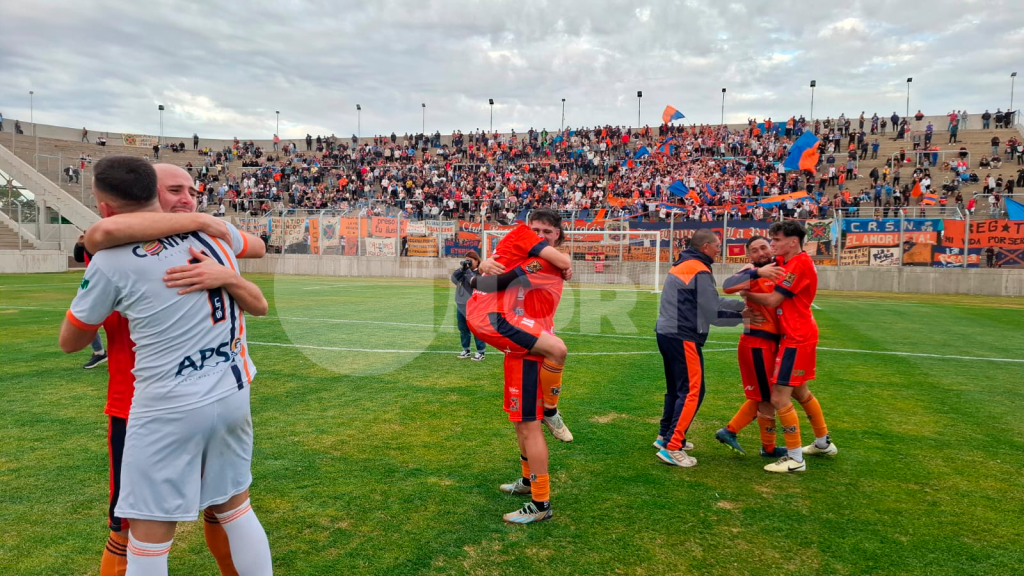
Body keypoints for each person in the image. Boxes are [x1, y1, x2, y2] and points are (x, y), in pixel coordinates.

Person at [59, 156, 273, 575]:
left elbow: (71, 341)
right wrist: (206, 223)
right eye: (176, 190)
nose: (188, 199)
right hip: (226, 390)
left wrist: (209, 231)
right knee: (232, 508)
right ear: (148, 192)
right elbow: (102, 232)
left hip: (157, 403)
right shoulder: (208, 236)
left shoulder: (117, 257)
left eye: (192, 192)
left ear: (107, 203)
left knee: (144, 535)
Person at [465, 216, 573, 523]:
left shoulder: (544, 263)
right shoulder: (531, 258)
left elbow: (498, 282)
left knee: (528, 425)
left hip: (531, 347)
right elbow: (497, 274)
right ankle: (528, 481)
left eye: (546, 232)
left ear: (557, 236)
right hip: (519, 339)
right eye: (535, 230)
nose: (538, 236)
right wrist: (483, 264)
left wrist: (472, 274)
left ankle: (541, 503)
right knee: (519, 422)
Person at [653, 229, 755, 468]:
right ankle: (672, 446)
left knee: (677, 390)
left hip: (667, 333)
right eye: (717, 245)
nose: (720, 249)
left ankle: (665, 436)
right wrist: (744, 317)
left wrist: (741, 306)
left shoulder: (686, 265)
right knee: (692, 391)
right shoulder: (699, 269)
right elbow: (712, 313)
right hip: (682, 335)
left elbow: (712, 301)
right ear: (706, 246)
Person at [742, 221, 837, 474]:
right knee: (800, 392)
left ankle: (795, 459)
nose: (772, 245)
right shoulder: (788, 261)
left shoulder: (798, 264)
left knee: (778, 397)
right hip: (795, 335)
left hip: (797, 337)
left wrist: (746, 294)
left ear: (793, 242)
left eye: (776, 240)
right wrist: (752, 270)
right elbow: (763, 268)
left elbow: (774, 299)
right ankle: (823, 443)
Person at [715, 235, 787, 458]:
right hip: (756, 343)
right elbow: (727, 286)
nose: (761, 253)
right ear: (749, 256)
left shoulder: (780, 268)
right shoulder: (751, 271)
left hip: (772, 343)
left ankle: (736, 434)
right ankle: (761, 445)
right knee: (766, 397)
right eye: (754, 250)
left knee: (766, 395)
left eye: (764, 248)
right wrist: (755, 272)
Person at [72, 233, 108, 369]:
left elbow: (99, 259)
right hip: (93, 283)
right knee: (85, 318)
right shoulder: (93, 246)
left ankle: (105, 353)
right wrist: (80, 245)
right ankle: (99, 352)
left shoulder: (106, 246)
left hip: (104, 284)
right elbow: (79, 258)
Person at [451, 250, 486, 360]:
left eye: (470, 261)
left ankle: (481, 352)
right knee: (463, 328)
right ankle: (466, 349)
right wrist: (462, 269)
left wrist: (468, 272)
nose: (468, 263)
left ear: (477, 261)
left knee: (477, 329)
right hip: (461, 304)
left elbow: (476, 282)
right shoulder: (463, 271)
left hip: (474, 305)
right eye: (466, 260)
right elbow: (453, 278)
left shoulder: (481, 272)